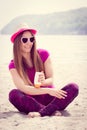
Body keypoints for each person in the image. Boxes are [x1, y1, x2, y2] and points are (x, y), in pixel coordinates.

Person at [8, 23, 79, 118]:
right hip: (32, 101)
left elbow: (51, 79)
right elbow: (24, 89)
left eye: (31, 39)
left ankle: (43, 112)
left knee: (73, 87)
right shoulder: (13, 65)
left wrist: (43, 82)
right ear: (17, 42)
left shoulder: (43, 54)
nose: (29, 43)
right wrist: (48, 90)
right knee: (13, 94)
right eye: (24, 40)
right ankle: (49, 111)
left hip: (51, 99)